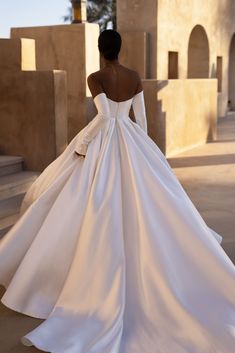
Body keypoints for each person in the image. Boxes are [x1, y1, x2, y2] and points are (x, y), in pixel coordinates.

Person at [0, 29, 235, 353]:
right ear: (120, 48)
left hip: (106, 140)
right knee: (151, 204)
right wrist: (147, 149)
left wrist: (81, 144)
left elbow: (104, 117)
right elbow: (141, 120)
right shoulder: (135, 76)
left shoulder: (95, 77)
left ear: (100, 49)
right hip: (133, 139)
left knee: (86, 202)